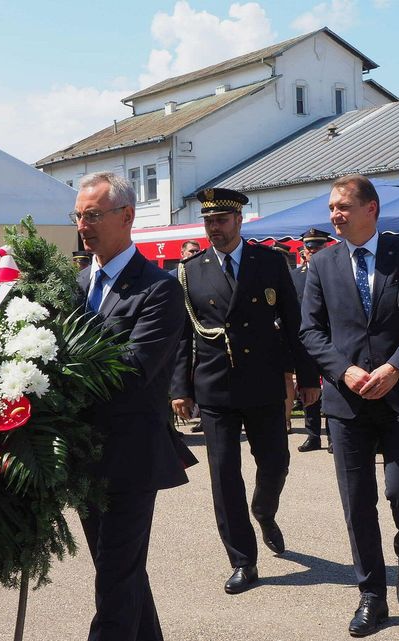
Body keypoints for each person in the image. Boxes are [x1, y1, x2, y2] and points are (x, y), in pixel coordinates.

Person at [299, 174, 399, 636]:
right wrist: (343, 370)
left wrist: (396, 367)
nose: (334, 215)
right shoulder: (321, 264)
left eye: (342, 206)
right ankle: (371, 596)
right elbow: (311, 331)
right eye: (332, 207)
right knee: (357, 502)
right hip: (347, 404)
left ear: (371, 210)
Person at [171, 187, 320, 595]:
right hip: (216, 386)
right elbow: (184, 337)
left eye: (220, 221)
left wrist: (307, 378)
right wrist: (180, 388)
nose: (213, 228)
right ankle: (242, 559)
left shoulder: (270, 262)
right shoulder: (191, 270)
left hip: (264, 380)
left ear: (239, 220)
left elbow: (294, 324)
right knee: (224, 476)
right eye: (208, 221)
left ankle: (264, 510)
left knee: (275, 463)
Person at [72, 171, 190, 641]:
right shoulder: (77, 284)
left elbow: (135, 369)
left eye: (94, 215)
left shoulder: (158, 289)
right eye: (79, 215)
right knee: (120, 570)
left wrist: (62, 368)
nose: (84, 224)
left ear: (126, 217)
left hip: (131, 457)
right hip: (84, 455)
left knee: (116, 582)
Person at [293, 227, 332, 454]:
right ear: (303, 251)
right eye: (310, 247)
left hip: (329, 338)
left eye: (318, 246)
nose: (314, 250)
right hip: (305, 339)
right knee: (308, 387)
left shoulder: (335, 272)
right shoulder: (295, 277)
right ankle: (313, 435)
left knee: (332, 386)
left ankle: (333, 436)